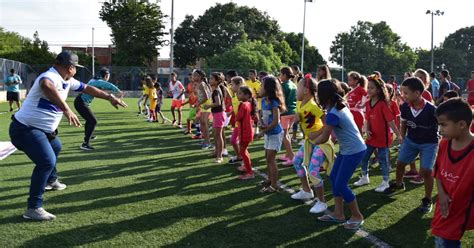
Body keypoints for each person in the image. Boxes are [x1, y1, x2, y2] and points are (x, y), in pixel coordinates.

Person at [9, 51, 127, 221]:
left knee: (56, 146)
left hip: (42, 131)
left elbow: (88, 88)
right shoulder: (51, 76)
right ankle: (33, 207)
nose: (76, 71)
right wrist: (66, 109)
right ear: (70, 67)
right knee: (46, 161)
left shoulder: (67, 80)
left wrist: (109, 97)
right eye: (75, 68)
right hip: (25, 129)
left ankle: (51, 180)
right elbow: (45, 85)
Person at [313, 79, 366, 230]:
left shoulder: (333, 112)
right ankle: (338, 214)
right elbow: (332, 131)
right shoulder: (338, 106)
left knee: (341, 184)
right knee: (334, 178)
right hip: (349, 149)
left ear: (324, 96)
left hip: (354, 151)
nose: (317, 96)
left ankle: (357, 215)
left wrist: (310, 144)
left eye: (318, 93)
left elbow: (324, 137)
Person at [384, 77, 439, 214]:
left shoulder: (432, 109)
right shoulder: (405, 107)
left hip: (429, 143)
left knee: (426, 170)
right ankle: (398, 184)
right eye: (402, 92)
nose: (403, 95)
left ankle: (427, 199)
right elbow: (403, 123)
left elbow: (443, 123)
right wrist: (402, 137)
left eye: (406, 93)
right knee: (400, 162)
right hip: (411, 140)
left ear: (418, 93)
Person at [431, 98, 473, 247]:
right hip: (446, 208)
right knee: (443, 239)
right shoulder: (444, 144)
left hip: (464, 209)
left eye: (443, 124)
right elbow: (438, 172)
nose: (440, 130)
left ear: (461, 124)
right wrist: (441, 194)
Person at [290, 75, 334, 214]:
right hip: (310, 141)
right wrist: (296, 120)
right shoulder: (299, 103)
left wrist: (317, 133)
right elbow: (301, 119)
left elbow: (328, 123)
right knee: (297, 161)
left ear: (306, 90)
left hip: (321, 141)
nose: (296, 90)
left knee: (313, 171)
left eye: (298, 87)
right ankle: (307, 191)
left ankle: (322, 202)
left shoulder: (314, 106)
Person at [353, 74, 402, 192]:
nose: (368, 90)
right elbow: (368, 119)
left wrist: (399, 134)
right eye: (368, 87)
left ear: (379, 90)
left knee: (383, 161)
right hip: (371, 137)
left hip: (383, 139)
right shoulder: (369, 103)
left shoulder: (383, 104)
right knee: (364, 158)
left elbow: (390, 121)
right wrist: (367, 130)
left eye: (372, 88)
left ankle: (385, 182)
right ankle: (365, 177)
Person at [74, 67, 123, 151]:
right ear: (105, 76)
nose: (108, 78)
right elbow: (109, 85)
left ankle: (89, 136)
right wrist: (118, 91)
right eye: (108, 76)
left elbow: (103, 91)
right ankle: (85, 144)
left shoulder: (94, 81)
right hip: (81, 102)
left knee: (89, 120)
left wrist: (112, 97)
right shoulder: (98, 82)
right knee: (93, 121)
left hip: (81, 102)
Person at [256, 76, 286, 193]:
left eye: (262, 86)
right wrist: (261, 122)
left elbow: (276, 121)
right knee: (267, 158)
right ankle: (269, 179)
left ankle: (274, 185)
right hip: (268, 133)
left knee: (271, 159)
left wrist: (263, 131)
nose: (260, 87)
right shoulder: (263, 101)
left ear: (268, 88)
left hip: (275, 134)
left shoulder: (274, 102)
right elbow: (265, 118)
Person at [235, 86, 257, 180]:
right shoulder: (248, 103)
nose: (237, 94)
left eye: (240, 93)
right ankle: (247, 167)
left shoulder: (244, 105)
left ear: (247, 95)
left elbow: (238, 117)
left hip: (245, 132)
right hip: (246, 131)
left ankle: (250, 172)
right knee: (244, 150)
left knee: (242, 151)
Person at [204, 72, 226, 163]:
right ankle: (216, 151)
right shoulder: (216, 89)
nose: (210, 80)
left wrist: (209, 106)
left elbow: (218, 103)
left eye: (212, 79)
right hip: (217, 114)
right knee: (215, 134)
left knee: (218, 135)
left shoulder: (216, 90)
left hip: (219, 114)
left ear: (217, 81)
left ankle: (220, 156)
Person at [278, 67, 297, 166]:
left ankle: (291, 157)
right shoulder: (293, 84)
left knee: (284, 135)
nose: (280, 76)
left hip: (285, 113)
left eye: (280, 74)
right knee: (287, 134)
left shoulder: (283, 85)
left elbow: (280, 99)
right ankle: (287, 155)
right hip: (293, 112)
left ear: (285, 75)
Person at [228, 76, 245, 165]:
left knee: (241, 143)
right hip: (238, 123)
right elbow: (236, 108)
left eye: (233, 84)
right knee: (233, 141)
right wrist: (230, 112)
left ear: (239, 85)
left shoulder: (242, 97)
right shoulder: (235, 95)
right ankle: (239, 157)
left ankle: (244, 162)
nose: (231, 86)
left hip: (243, 124)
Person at [194, 69, 212, 149]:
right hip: (203, 105)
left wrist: (199, 103)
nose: (193, 77)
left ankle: (207, 142)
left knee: (204, 124)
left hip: (206, 105)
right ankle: (206, 140)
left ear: (200, 76)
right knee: (202, 124)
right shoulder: (199, 84)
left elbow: (207, 96)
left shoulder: (202, 84)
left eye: (195, 75)